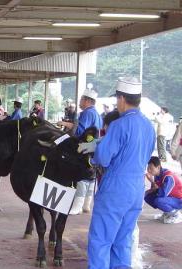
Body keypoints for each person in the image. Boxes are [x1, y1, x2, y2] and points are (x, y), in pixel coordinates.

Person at [78, 77, 156, 269]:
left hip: (115, 189)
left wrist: (95, 150)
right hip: (136, 188)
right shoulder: (148, 126)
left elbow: (103, 158)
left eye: (117, 100)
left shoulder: (118, 125)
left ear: (121, 99)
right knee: (123, 241)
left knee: (101, 241)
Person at [57, 87, 102, 215]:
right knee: (90, 176)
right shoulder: (97, 114)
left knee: (81, 175)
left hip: (84, 147)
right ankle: (86, 204)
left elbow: (80, 131)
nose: (80, 102)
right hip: (93, 148)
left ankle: (77, 205)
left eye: (81, 99)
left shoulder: (87, 113)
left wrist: (65, 124)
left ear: (87, 100)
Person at [145, 156, 182, 224]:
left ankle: (176, 214)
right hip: (170, 198)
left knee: (158, 200)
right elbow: (154, 190)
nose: (149, 170)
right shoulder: (157, 175)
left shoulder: (168, 177)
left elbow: (162, 194)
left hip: (179, 200)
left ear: (158, 167)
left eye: (151, 168)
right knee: (147, 196)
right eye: (148, 168)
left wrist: (152, 182)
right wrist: (146, 192)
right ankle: (168, 213)